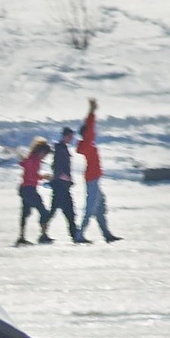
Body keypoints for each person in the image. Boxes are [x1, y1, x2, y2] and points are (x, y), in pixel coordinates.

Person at [77, 98, 122, 243]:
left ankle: (107, 234)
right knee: (90, 208)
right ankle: (79, 234)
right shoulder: (88, 142)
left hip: (94, 179)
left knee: (100, 208)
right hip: (92, 180)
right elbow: (90, 125)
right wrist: (92, 110)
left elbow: (89, 127)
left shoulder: (87, 143)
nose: (94, 132)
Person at [43, 125, 84, 244]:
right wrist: (64, 177)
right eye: (70, 136)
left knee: (69, 211)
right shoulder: (60, 149)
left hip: (63, 186)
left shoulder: (63, 148)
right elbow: (57, 167)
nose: (72, 139)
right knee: (55, 211)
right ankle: (44, 232)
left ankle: (74, 234)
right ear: (65, 136)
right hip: (60, 186)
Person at [15, 137, 52, 246]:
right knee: (44, 212)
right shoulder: (34, 160)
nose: (45, 156)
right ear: (41, 151)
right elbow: (31, 175)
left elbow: (25, 167)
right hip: (29, 189)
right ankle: (43, 235)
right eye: (45, 154)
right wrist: (43, 177)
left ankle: (21, 237)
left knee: (25, 213)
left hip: (25, 189)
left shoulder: (32, 159)